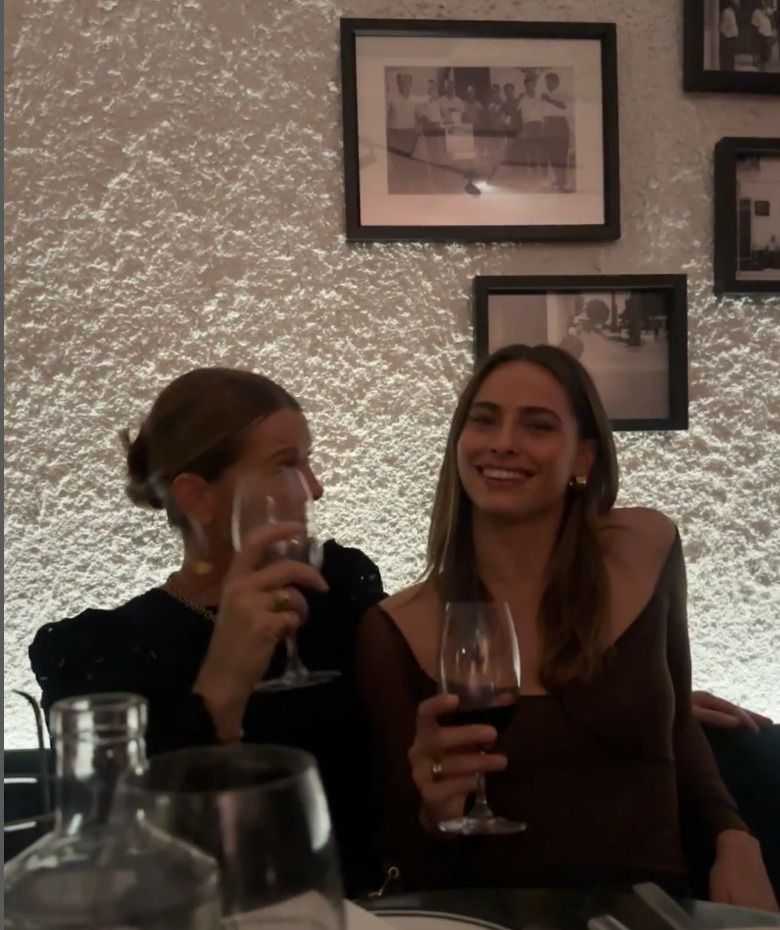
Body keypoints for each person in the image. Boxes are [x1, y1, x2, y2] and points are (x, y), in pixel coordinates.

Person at [356, 344, 778, 910]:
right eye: (484, 420)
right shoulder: (394, 629)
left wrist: (734, 837)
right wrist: (435, 812)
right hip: (489, 917)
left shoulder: (646, 549)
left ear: (584, 457)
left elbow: (677, 724)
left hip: (649, 911)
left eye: (537, 425)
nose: (503, 442)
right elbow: (406, 861)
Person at [28, 367, 386, 896]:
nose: (315, 488)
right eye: (287, 464)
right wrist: (222, 683)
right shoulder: (100, 653)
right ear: (198, 497)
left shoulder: (338, 591)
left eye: (308, 462)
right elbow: (119, 862)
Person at [540, 71, 570, 191]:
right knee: (552, 154)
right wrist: (544, 127)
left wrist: (549, 100)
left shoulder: (562, 93)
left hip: (559, 125)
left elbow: (564, 106)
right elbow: (544, 113)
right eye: (546, 82)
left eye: (549, 82)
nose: (547, 84)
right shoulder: (547, 95)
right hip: (548, 126)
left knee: (560, 154)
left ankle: (562, 183)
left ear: (556, 81)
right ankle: (558, 179)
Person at [719, 1, 740, 70]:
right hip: (728, 39)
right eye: (737, 3)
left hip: (732, 39)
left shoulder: (732, 12)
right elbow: (723, 27)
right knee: (727, 59)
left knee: (731, 58)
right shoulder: (726, 12)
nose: (738, 5)